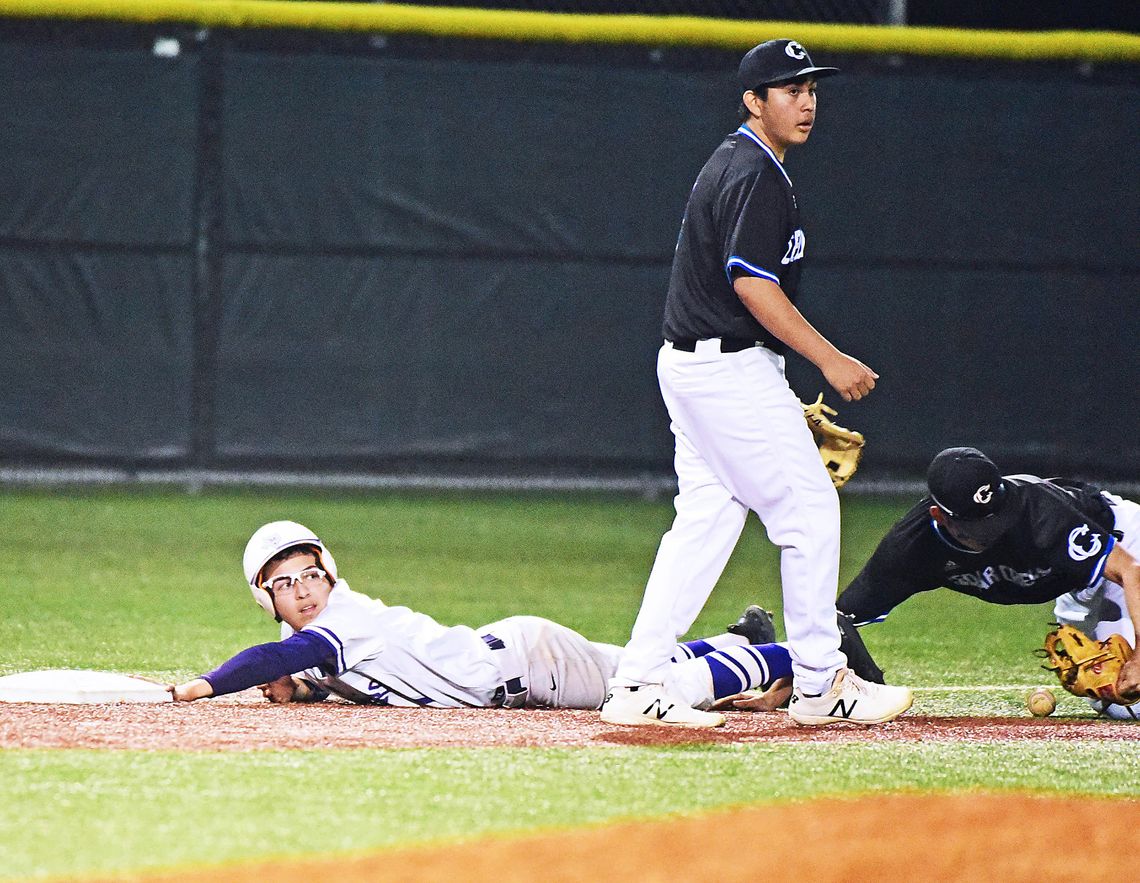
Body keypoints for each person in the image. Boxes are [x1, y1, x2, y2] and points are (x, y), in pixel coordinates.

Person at [597, 38, 913, 728]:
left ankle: (636, 682)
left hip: (702, 364)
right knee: (808, 512)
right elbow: (751, 283)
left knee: (706, 522)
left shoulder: (744, 163)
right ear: (753, 100)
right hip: (722, 364)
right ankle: (821, 682)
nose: (805, 102)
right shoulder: (756, 173)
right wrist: (828, 358)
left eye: (812, 90)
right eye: (789, 90)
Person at [169, 521, 801, 716]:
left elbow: (269, 659)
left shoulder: (342, 619)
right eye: (284, 582)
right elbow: (340, 673)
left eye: (310, 573)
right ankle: (741, 640)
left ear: (329, 576)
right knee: (636, 665)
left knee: (646, 688)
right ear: (267, 599)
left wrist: (203, 685)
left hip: (528, 666)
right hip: (519, 654)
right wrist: (304, 690)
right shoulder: (319, 642)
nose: (303, 589)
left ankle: (798, 656)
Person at [836, 446, 1140, 719]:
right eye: (978, 525)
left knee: (1135, 702)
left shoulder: (1039, 512)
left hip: (1123, 546)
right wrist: (817, 677)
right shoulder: (911, 549)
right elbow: (834, 621)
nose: (993, 530)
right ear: (939, 516)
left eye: (998, 516)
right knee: (1120, 702)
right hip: (1078, 585)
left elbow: (1130, 570)